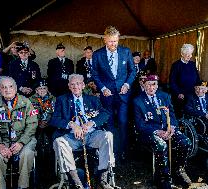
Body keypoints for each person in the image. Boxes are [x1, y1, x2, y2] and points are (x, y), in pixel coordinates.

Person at [50, 74, 115, 189]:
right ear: (69, 86)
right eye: (73, 84)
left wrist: (92, 123)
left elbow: (105, 114)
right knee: (59, 142)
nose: (76, 86)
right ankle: (76, 181)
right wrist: (71, 124)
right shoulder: (62, 100)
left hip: (91, 135)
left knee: (108, 136)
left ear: (83, 85)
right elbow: (54, 119)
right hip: (71, 137)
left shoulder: (93, 99)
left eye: (79, 83)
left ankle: (103, 178)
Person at [133, 74, 192, 188]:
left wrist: (172, 127)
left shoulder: (165, 96)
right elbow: (140, 125)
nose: (151, 87)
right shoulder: (137, 101)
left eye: (154, 84)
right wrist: (158, 132)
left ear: (157, 85)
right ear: (144, 85)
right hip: (149, 132)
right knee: (161, 145)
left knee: (186, 143)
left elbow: (173, 115)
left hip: (168, 129)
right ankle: (163, 177)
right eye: (148, 85)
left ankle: (179, 170)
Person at [0, 76, 38, 189]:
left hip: (23, 139)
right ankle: (0, 186)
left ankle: (23, 186)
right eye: (3, 87)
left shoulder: (26, 102)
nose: (7, 90)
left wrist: (21, 143)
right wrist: (0, 145)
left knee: (27, 153)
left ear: (16, 88)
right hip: (2, 140)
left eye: (10, 86)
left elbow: (32, 124)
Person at [92, 26, 136, 160]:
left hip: (123, 94)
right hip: (107, 95)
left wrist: (127, 85)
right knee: (109, 123)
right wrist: (103, 88)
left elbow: (132, 71)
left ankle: (123, 151)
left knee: (123, 121)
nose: (113, 44)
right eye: (111, 41)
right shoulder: (98, 54)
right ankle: (110, 152)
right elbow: (95, 74)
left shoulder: (126, 51)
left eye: (116, 41)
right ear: (105, 40)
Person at [29, 78, 56, 186]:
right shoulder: (30, 100)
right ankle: (38, 177)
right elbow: (29, 115)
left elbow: (57, 114)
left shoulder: (53, 99)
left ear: (47, 89)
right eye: (40, 89)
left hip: (50, 127)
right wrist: (39, 122)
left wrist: (48, 123)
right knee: (37, 147)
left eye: (44, 88)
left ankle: (51, 175)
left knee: (51, 147)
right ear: (36, 90)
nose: (42, 90)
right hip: (36, 127)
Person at [169, 43, 200, 118]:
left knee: (192, 113)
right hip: (181, 95)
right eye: (188, 54)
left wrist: (199, 88)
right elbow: (172, 82)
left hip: (192, 94)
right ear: (182, 54)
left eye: (191, 54)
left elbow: (197, 78)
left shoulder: (192, 64)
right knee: (181, 114)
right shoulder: (176, 65)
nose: (190, 56)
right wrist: (178, 93)